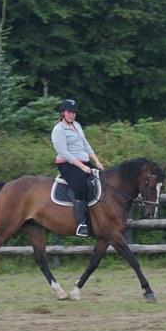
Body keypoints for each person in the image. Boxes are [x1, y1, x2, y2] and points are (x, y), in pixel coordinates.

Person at [50, 99, 104, 236]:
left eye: (74, 112)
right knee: (80, 185)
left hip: (84, 161)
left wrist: (97, 162)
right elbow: (64, 153)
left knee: (102, 179)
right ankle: (81, 223)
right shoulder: (58, 130)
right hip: (67, 164)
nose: (72, 115)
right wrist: (82, 167)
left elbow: (86, 145)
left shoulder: (77, 125)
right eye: (69, 112)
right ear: (63, 113)